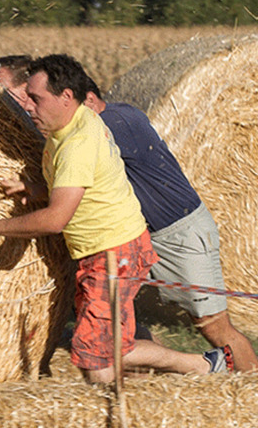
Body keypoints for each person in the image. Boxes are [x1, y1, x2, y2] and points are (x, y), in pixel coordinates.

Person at [0, 54, 234, 383]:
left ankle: (202, 364)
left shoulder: (76, 144)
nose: (28, 106)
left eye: (37, 98)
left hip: (115, 253)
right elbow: (84, 184)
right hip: (108, 249)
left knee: (95, 360)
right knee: (114, 348)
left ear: (66, 96)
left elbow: (56, 219)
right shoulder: (72, 122)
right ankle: (182, 378)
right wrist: (37, 187)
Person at [83, 78, 258, 373]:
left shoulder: (112, 123)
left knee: (214, 327)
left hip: (179, 234)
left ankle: (250, 391)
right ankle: (163, 380)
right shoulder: (115, 116)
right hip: (144, 235)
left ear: (88, 99)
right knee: (122, 316)